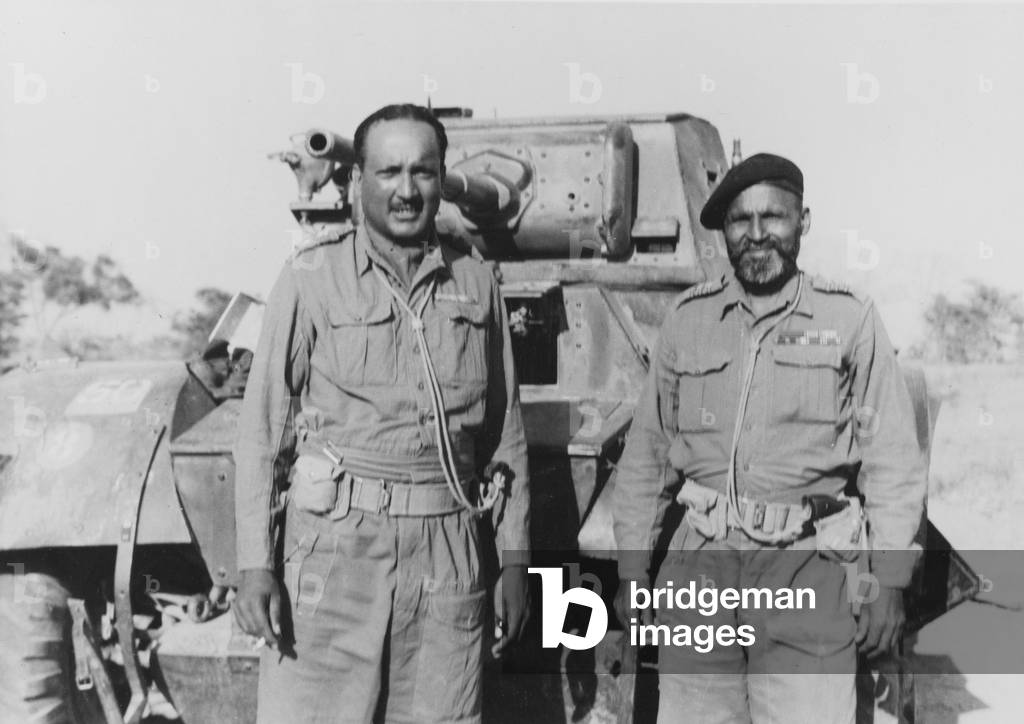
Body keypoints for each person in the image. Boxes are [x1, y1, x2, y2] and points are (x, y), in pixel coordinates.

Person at [232, 103, 530, 724]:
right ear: (359, 180)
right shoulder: (311, 277)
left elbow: (506, 435)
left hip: (449, 553)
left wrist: (516, 562)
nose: (406, 190)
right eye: (388, 171)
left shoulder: (475, 282)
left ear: (441, 178)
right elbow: (261, 434)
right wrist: (255, 564)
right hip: (337, 552)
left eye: (423, 172)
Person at [612, 153, 926, 723]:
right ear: (724, 231)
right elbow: (647, 458)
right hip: (702, 571)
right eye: (740, 221)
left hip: (808, 571)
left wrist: (890, 581)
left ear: (802, 222)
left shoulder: (849, 319)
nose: (758, 235)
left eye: (774, 218)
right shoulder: (688, 320)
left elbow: (894, 462)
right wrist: (633, 574)